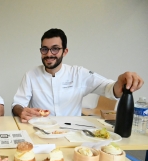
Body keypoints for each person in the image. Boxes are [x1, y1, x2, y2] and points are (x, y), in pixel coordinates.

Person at [12, 28, 144, 122]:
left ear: (65, 52)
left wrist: (121, 82)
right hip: (39, 130)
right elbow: (17, 104)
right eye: (44, 49)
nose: (49, 54)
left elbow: (108, 88)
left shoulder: (78, 73)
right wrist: (21, 111)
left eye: (55, 48)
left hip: (72, 132)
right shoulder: (30, 75)